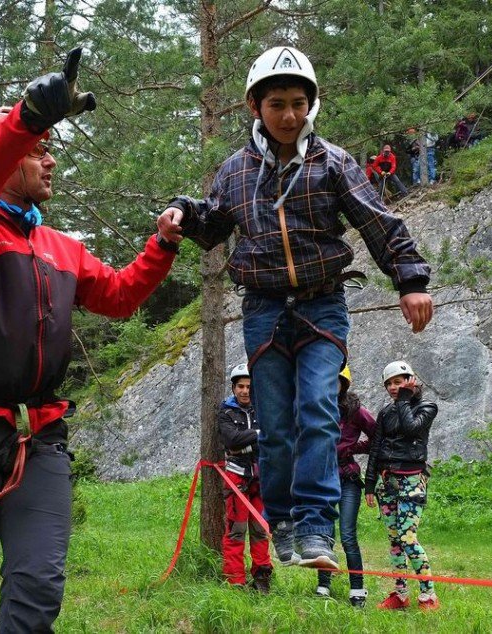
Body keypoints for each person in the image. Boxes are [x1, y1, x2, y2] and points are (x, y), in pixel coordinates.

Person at [0, 48, 178, 632]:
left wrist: (161, 244)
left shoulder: (60, 247)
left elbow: (118, 296)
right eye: (39, 152)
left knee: (37, 588)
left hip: (39, 438)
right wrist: (26, 121)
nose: (51, 160)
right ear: (4, 159)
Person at [158, 46, 433, 570]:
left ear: (312, 105)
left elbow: (378, 222)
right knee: (276, 424)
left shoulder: (333, 162)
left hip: (322, 304)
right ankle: (282, 520)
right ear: (255, 106)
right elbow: (214, 223)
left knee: (318, 409)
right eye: (277, 103)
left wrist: (410, 279)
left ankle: (314, 526)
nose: (289, 115)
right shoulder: (235, 171)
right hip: (262, 309)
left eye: (299, 103)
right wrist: (183, 215)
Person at [364, 361, 439, 611]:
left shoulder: (427, 406)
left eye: (400, 381)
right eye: (390, 384)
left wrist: (405, 400)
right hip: (387, 482)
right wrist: (369, 483)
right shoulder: (386, 412)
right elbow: (375, 447)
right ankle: (401, 593)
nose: (395, 387)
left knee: (408, 537)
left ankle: (428, 594)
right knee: (394, 539)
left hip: (412, 479)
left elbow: (411, 429)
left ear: (411, 380)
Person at [315, 365, 377, 607]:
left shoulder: (354, 410)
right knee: (324, 535)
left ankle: (357, 590)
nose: (332, 385)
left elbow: (377, 435)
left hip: (348, 479)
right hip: (322, 480)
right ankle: (323, 584)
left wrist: (353, 448)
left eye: (337, 381)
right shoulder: (316, 406)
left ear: (344, 384)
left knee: (348, 536)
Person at [219, 363, 273, 593]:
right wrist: (258, 436)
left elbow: (274, 439)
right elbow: (231, 440)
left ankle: (262, 576)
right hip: (236, 478)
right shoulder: (225, 412)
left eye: (248, 386)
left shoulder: (265, 410)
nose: (244, 391)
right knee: (236, 530)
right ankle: (235, 580)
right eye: (240, 386)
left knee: (261, 530)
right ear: (233, 388)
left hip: (262, 479)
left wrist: (247, 440)